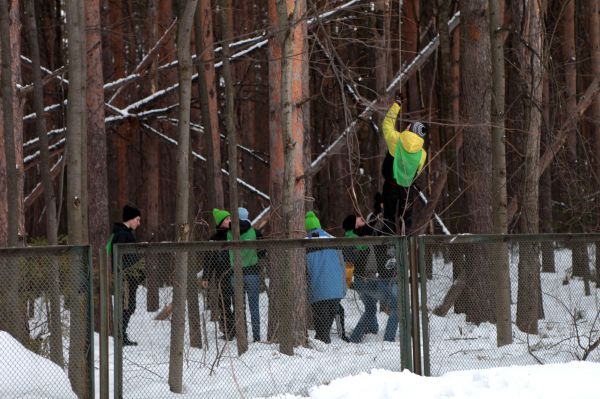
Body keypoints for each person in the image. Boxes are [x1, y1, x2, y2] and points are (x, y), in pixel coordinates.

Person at [381, 92, 428, 235]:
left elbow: (387, 124)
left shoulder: (396, 140)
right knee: (406, 221)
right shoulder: (422, 154)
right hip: (406, 191)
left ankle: (389, 252)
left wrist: (397, 105)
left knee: (388, 219)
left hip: (390, 186)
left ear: (409, 129)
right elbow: (417, 171)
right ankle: (406, 249)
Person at [305, 211, 347, 344]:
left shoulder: (303, 244)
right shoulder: (333, 240)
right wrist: (343, 288)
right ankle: (323, 342)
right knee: (328, 320)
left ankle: (323, 344)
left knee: (321, 322)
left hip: (318, 290)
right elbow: (342, 266)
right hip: (335, 289)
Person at [227, 207, 264, 342]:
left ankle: (242, 335)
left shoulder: (228, 233)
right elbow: (262, 251)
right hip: (252, 273)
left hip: (235, 274)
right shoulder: (256, 233)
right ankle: (257, 336)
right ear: (247, 216)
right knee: (254, 306)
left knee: (239, 306)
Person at [110, 204, 143, 346]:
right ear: (130, 219)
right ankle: (120, 336)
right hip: (125, 278)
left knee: (129, 306)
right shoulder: (123, 234)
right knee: (127, 306)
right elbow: (120, 257)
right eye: (137, 219)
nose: (139, 223)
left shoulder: (125, 233)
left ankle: (121, 335)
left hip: (129, 277)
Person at [201, 209, 236, 340]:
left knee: (238, 304)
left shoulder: (233, 234)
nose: (230, 221)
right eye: (227, 219)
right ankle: (228, 331)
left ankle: (238, 330)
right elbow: (209, 259)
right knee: (224, 303)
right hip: (222, 276)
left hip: (235, 274)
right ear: (221, 222)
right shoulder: (213, 239)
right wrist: (206, 277)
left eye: (230, 219)